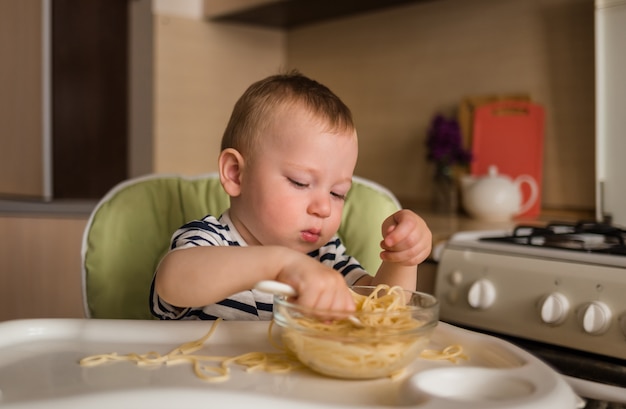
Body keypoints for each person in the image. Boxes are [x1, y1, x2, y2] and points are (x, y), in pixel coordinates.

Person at [150, 70, 432, 320]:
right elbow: (172, 282)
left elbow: (382, 312)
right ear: (236, 173)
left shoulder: (327, 256)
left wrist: (402, 259)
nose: (323, 208)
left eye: (337, 193)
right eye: (300, 182)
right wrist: (281, 265)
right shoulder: (209, 240)